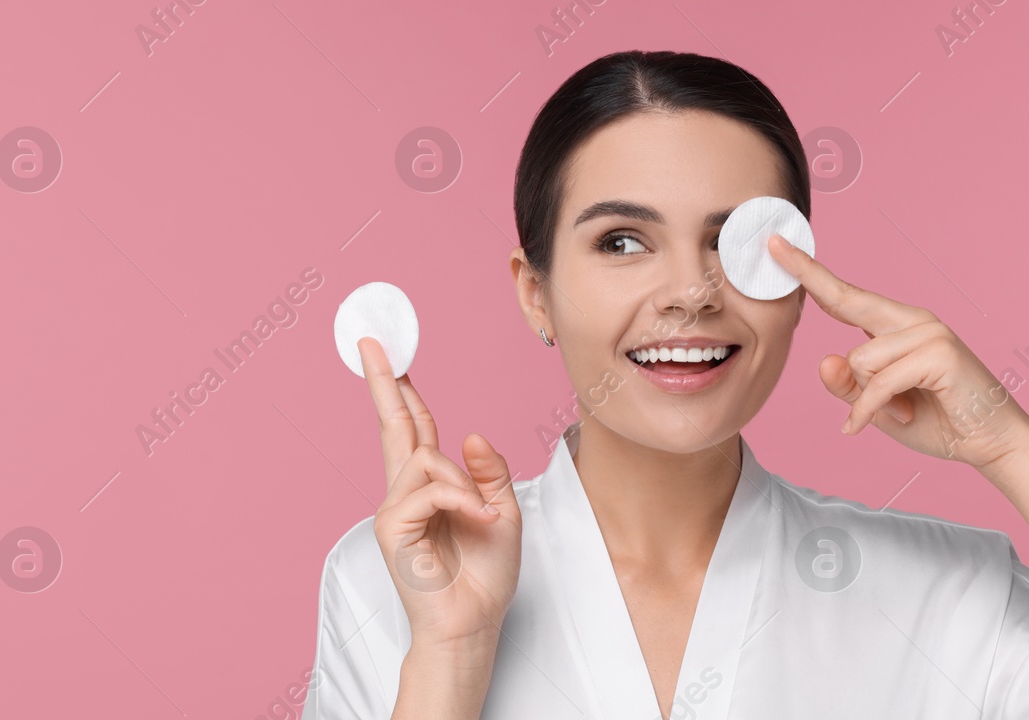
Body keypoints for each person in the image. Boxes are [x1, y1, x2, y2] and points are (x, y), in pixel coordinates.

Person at [300, 50, 1029, 720]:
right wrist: (449, 658)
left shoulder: (959, 595)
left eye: (734, 242)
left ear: (802, 285)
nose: (691, 291)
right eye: (622, 241)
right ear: (535, 293)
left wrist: (1008, 446)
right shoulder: (393, 583)